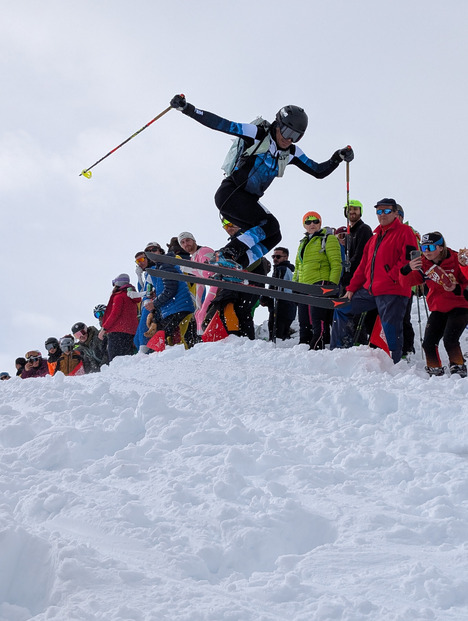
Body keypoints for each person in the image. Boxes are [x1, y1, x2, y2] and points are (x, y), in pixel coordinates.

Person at [169, 93, 354, 268]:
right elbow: (222, 124)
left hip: (248, 201)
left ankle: (238, 264)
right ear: (278, 124)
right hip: (230, 194)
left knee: (274, 235)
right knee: (268, 224)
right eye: (287, 131)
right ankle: (226, 254)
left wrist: (337, 157)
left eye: (296, 136)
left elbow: (318, 171)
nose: (289, 139)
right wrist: (187, 108)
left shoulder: (291, 153)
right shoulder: (257, 134)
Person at [331, 198, 419, 363]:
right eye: (379, 211)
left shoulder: (405, 232)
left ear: (395, 213)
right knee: (342, 308)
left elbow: (407, 260)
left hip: (393, 290)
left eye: (386, 211)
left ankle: (394, 364)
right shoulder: (374, 238)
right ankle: (339, 351)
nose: (382, 215)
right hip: (370, 290)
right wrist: (351, 289)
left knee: (389, 329)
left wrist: (389, 276)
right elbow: (363, 267)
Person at [400, 232, 468, 377]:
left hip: (459, 306)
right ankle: (434, 369)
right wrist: (406, 269)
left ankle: (458, 367)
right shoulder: (423, 264)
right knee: (428, 343)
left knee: (450, 339)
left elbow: (466, 282)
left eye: (430, 247)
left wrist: (457, 288)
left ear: (441, 247)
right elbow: (407, 282)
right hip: (438, 307)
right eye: (423, 248)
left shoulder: (456, 259)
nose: (426, 252)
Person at [294, 211, 342, 349]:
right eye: (308, 222)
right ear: (304, 225)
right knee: (303, 318)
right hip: (304, 284)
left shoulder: (328, 238)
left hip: (320, 282)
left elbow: (336, 262)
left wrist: (332, 284)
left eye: (315, 221)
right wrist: (294, 284)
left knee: (316, 317)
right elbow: (298, 265)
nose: (312, 224)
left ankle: (318, 344)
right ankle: (303, 343)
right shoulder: (303, 242)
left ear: (320, 223)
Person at [143, 246, 195, 348]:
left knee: (161, 336)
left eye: (154, 250)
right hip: (174, 308)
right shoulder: (162, 267)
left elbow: (170, 290)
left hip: (178, 307)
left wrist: (154, 303)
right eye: (148, 252)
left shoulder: (165, 265)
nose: (151, 253)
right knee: (168, 338)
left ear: (160, 251)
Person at [99, 274, 140, 361]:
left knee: (115, 360)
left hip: (117, 332)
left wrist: (104, 328)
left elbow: (114, 314)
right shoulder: (131, 296)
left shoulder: (119, 296)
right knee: (126, 359)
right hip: (130, 332)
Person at [260, 247, 297, 341]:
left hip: (280, 305)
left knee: (276, 336)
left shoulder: (281, 269)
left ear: (286, 257)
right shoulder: (291, 270)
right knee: (283, 335)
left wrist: (265, 299)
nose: (275, 259)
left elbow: (274, 286)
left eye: (278, 256)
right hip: (290, 306)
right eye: (273, 256)